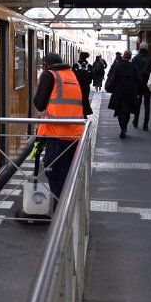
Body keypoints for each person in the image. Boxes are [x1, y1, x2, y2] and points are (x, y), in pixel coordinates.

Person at [33, 52, 88, 202]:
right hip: (75, 135)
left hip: (57, 135)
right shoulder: (70, 75)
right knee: (67, 178)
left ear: (46, 64)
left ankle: (61, 218)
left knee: (56, 177)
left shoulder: (49, 75)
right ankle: (65, 212)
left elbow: (39, 104)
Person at [104, 50, 140, 138]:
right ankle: (125, 127)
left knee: (120, 111)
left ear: (123, 56)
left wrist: (110, 87)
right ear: (130, 57)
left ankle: (122, 128)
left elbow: (114, 77)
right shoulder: (133, 67)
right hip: (130, 92)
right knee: (127, 111)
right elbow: (138, 79)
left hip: (119, 91)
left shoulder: (118, 65)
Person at [130, 43, 151, 131]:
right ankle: (145, 125)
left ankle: (136, 121)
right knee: (147, 104)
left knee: (138, 103)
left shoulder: (135, 59)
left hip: (138, 85)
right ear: (147, 48)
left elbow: (132, 72)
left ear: (140, 48)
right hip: (148, 84)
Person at [73, 51, 93, 116]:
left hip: (77, 86)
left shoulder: (75, 65)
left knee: (77, 99)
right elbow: (92, 76)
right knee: (85, 99)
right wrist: (88, 82)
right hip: (86, 86)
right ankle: (85, 114)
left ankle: (77, 113)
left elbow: (72, 75)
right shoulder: (89, 66)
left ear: (80, 56)